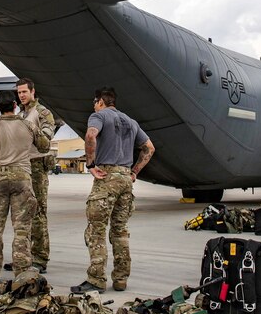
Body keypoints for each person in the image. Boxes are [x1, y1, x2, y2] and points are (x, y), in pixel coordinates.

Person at [71, 86, 155, 294]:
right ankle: (120, 279)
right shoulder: (131, 121)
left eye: (95, 103)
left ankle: (97, 279)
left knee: (96, 230)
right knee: (120, 231)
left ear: (100, 102)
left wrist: (90, 164)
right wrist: (134, 171)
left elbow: (91, 136)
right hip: (125, 178)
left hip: (107, 176)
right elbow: (149, 148)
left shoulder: (98, 116)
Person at [0, 90, 49, 279]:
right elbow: (44, 145)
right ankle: (22, 272)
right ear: (15, 105)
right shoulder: (28, 125)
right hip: (22, 178)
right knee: (22, 228)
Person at [14, 77, 56, 273]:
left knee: (38, 213)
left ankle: (40, 257)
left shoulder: (42, 113)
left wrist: (29, 130)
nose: (22, 95)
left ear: (32, 91)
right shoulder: (20, 114)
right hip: (22, 165)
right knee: (24, 213)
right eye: (19, 92)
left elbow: (45, 140)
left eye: (24, 91)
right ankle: (25, 256)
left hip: (37, 166)